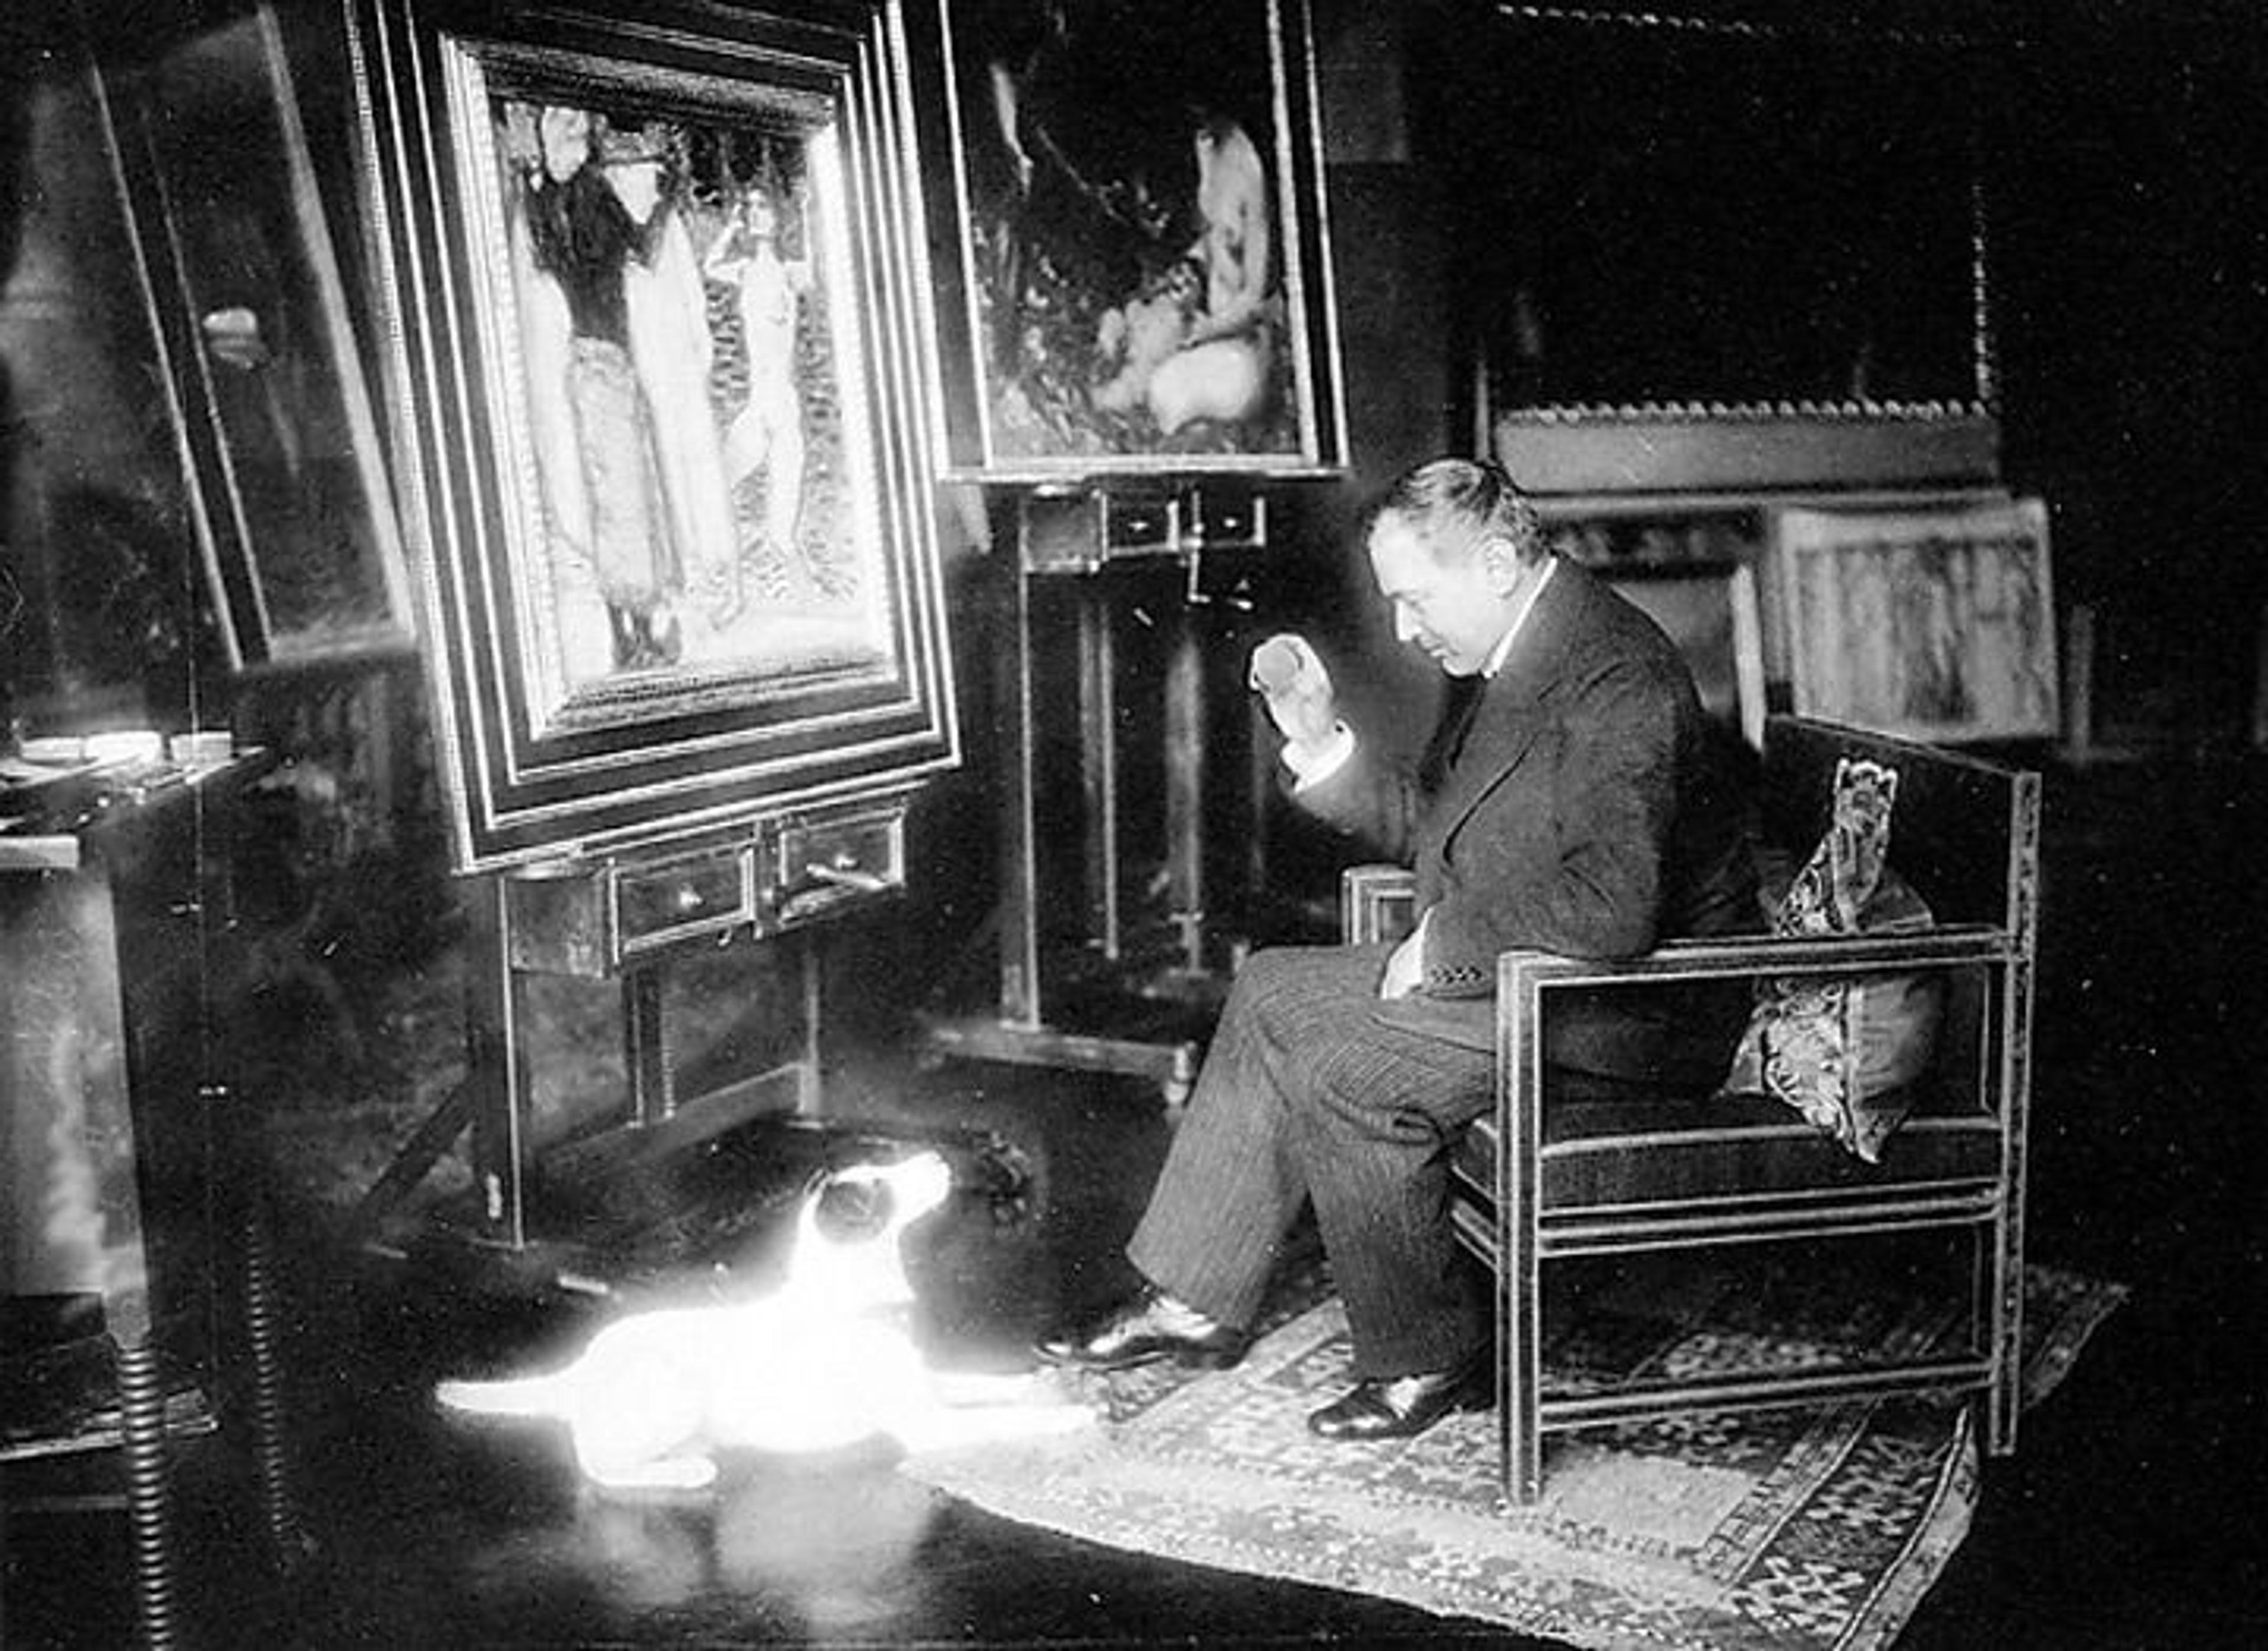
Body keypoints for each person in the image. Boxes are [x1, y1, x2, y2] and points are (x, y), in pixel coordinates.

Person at [1039, 457, 1757, 1441]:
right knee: (1272, 987)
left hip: (1630, 1018)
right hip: (1540, 979)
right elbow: (1445, 832)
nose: (1404, 630)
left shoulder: (1615, 677)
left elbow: (1613, 909)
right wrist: (1321, 739)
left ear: (1498, 562)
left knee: (1353, 1072)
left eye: (1416, 600)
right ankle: (1195, 1301)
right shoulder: (1522, 648)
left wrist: (1449, 944)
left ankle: (1428, 1357)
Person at [704, 180, 814, 604]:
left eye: (762, 208)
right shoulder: (745, 269)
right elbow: (711, 265)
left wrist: (806, 213)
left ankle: (785, 584)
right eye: (750, 209)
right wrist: (731, 228)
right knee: (718, 485)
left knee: (782, 511)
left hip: (782, 402)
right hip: (758, 401)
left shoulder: (790, 272)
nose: (756, 215)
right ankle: (727, 572)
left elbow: (817, 271)